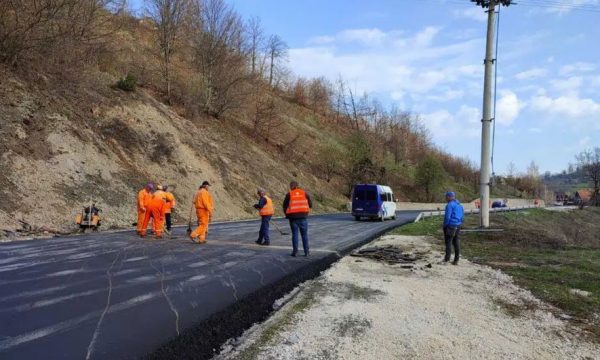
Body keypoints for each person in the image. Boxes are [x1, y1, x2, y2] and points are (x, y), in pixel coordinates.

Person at [283, 181, 312, 257]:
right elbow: (310, 204)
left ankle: (295, 252)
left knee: (295, 235)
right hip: (303, 217)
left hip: (293, 218)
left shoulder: (289, 194)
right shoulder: (304, 193)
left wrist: (287, 215)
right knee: (304, 235)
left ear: (291, 186)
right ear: (297, 186)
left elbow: (284, 206)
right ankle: (307, 252)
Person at [443, 191, 464, 265]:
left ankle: (447, 259)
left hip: (450, 225)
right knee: (456, 242)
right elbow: (462, 216)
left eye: (446, 197)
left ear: (450, 197)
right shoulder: (459, 205)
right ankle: (456, 260)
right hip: (458, 225)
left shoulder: (449, 205)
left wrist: (445, 225)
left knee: (448, 242)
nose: (445, 198)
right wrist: (459, 223)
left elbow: (447, 217)